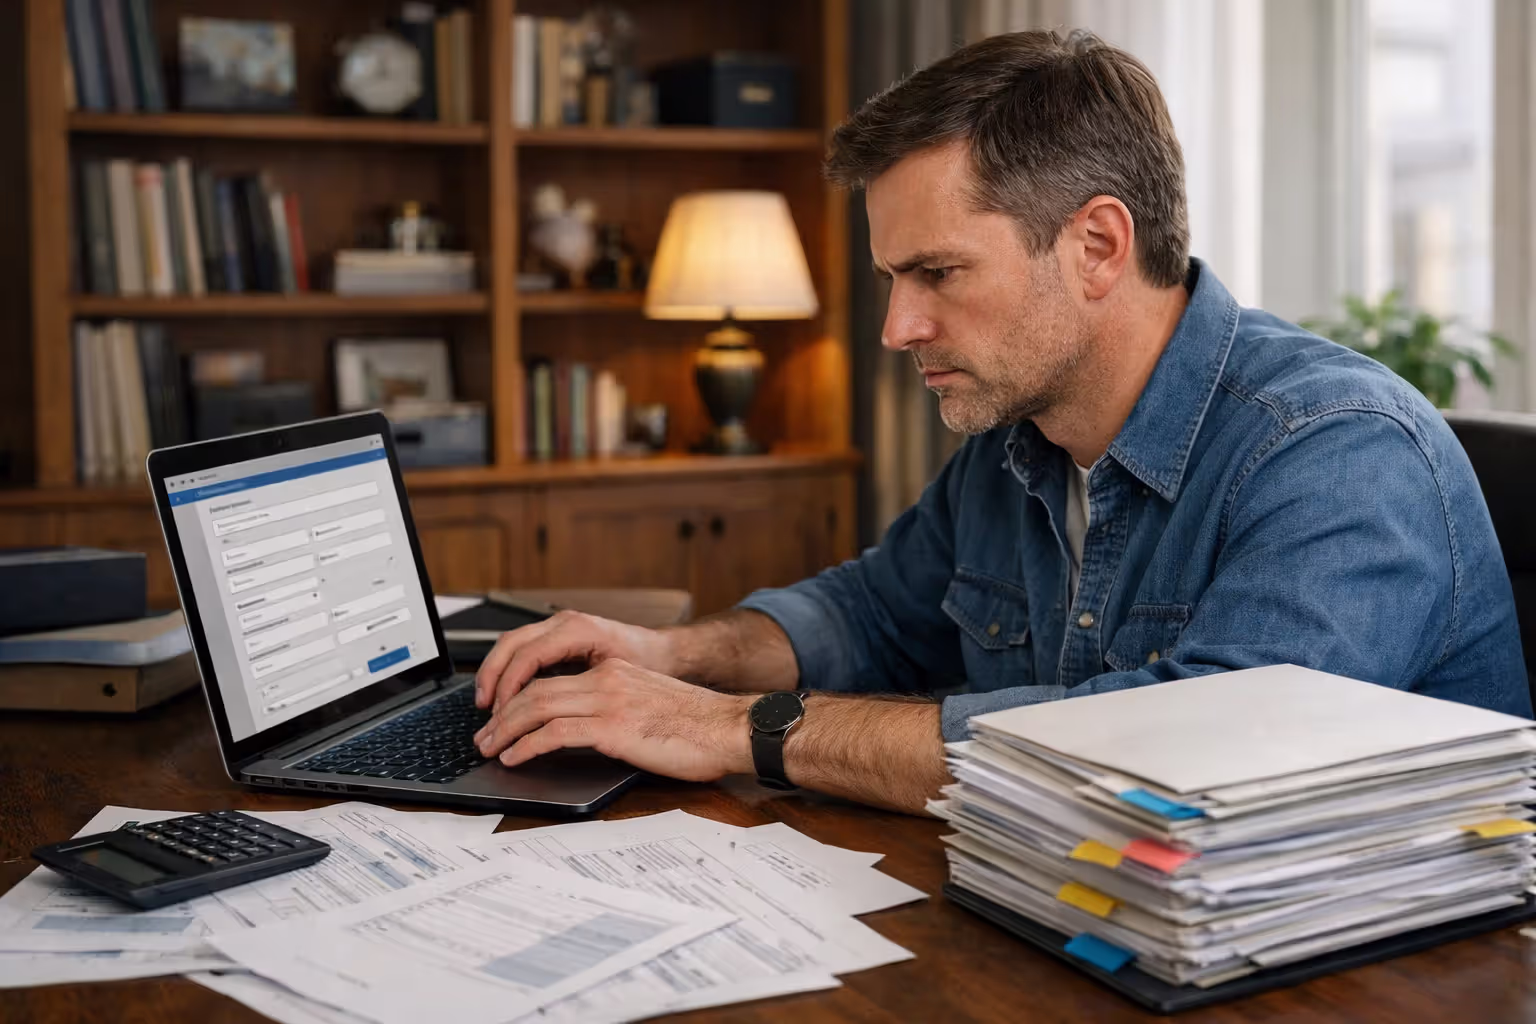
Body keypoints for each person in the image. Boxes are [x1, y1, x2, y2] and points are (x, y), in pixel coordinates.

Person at [472, 30, 1529, 814]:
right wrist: (678, 654)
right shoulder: (1018, 432)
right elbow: (875, 615)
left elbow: (1172, 761)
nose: (897, 326)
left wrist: (730, 728)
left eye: (936, 272)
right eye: (893, 277)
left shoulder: (1337, 451)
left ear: (1099, 246)